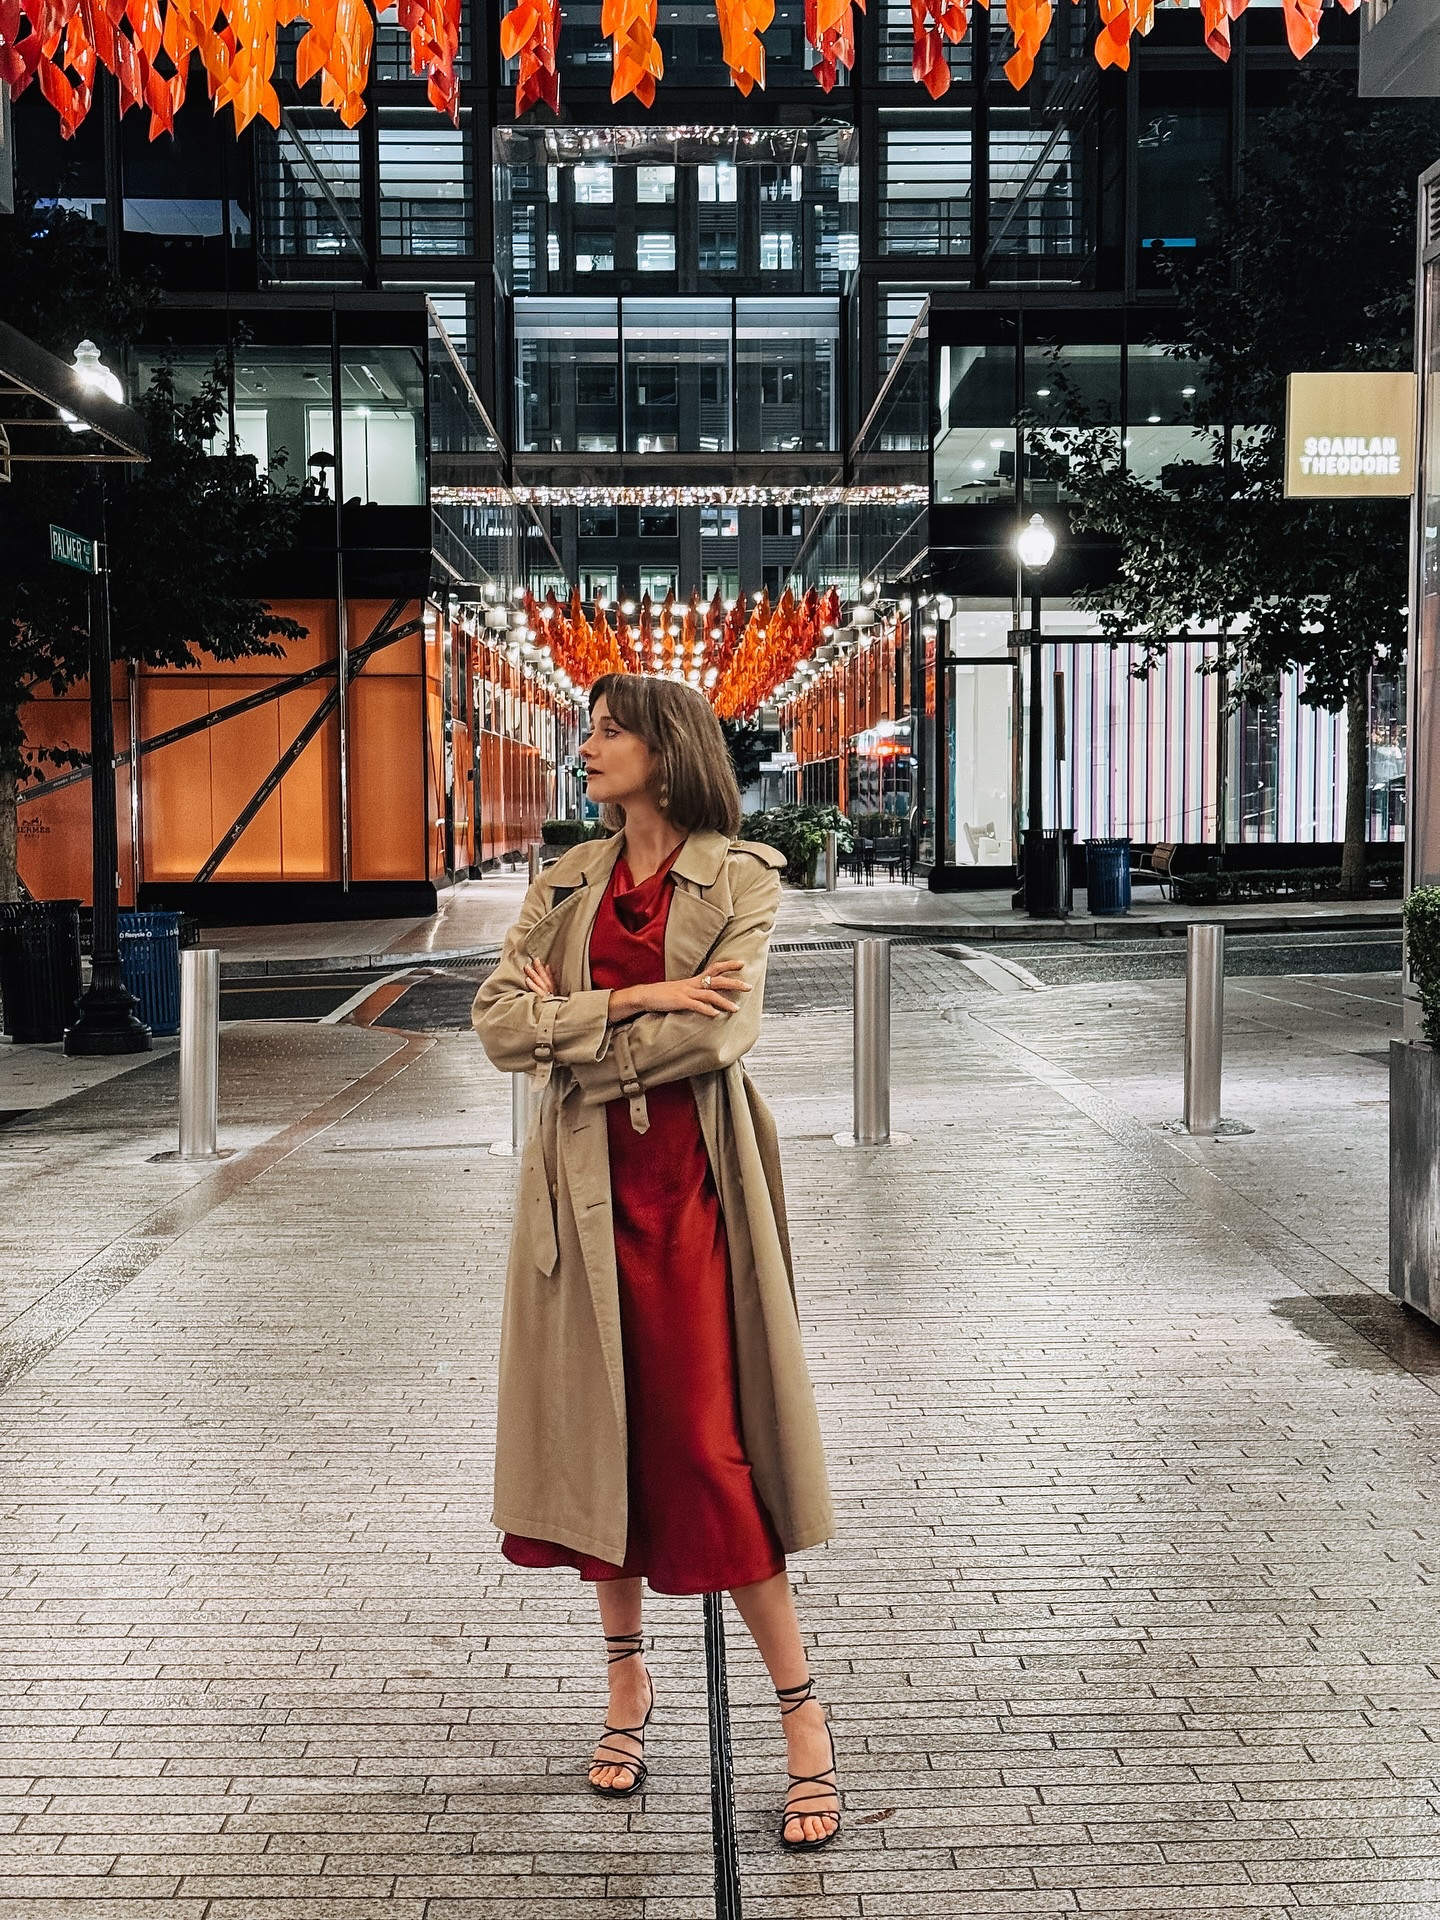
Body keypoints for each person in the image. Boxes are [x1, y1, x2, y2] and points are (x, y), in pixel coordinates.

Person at [471, 673, 841, 1850]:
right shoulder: (566, 881)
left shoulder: (740, 879)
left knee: (704, 1444)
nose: (587, 750)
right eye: (591, 733)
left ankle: (804, 1722)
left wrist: (580, 1030)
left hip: (690, 1196)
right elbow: (493, 1023)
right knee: (598, 1438)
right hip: (580, 1197)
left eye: (608, 733)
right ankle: (626, 1686)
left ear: (666, 751)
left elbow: (718, 1031)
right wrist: (640, 1003)